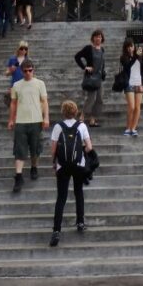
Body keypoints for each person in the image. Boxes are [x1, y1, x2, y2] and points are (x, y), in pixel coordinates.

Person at [48, 100, 94, 248]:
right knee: (78, 192)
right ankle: (80, 222)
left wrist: (54, 163)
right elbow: (89, 147)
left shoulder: (58, 126)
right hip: (78, 165)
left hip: (63, 165)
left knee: (61, 197)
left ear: (63, 112)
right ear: (75, 112)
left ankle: (56, 230)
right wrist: (81, 154)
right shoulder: (81, 126)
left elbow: (54, 148)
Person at [7, 59, 49, 193]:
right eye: (25, 71)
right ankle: (18, 176)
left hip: (36, 120)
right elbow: (13, 103)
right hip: (21, 121)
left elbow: (44, 101)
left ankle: (34, 167)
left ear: (33, 70)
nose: (28, 73)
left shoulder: (40, 83)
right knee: (19, 148)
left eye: (30, 70)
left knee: (35, 147)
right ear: (21, 71)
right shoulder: (16, 85)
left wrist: (46, 117)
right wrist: (11, 119)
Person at [74, 30, 106, 127]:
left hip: (99, 77)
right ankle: (82, 117)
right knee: (91, 98)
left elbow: (102, 63)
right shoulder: (88, 48)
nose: (98, 38)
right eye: (96, 37)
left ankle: (92, 119)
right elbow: (77, 56)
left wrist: (103, 72)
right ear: (93, 38)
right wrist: (85, 67)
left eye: (100, 37)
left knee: (99, 99)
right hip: (91, 77)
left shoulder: (102, 49)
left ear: (102, 38)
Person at [120, 38, 143, 137]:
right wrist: (136, 56)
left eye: (132, 46)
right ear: (125, 48)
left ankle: (133, 128)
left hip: (139, 82)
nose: (130, 48)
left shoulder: (138, 56)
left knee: (137, 107)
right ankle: (128, 127)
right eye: (128, 47)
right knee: (131, 106)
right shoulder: (124, 57)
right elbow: (127, 66)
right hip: (129, 83)